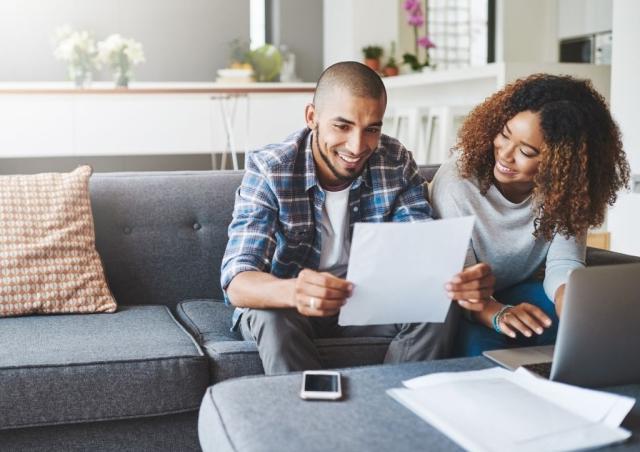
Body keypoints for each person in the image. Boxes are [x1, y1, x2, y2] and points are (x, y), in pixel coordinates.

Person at [221, 61, 495, 375]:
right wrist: (295, 291)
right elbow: (237, 279)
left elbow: (419, 242)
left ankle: (393, 408)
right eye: (342, 126)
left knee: (441, 304)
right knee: (272, 316)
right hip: (291, 305)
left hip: (366, 303)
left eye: (372, 129)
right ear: (313, 117)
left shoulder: (394, 161)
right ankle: (310, 421)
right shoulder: (271, 168)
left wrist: (460, 277)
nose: (357, 146)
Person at [429, 73, 630, 356]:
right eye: (504, 135)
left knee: (586, 335)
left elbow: (563, 262)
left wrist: (568, 298)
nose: (505, 155)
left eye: (527, 151)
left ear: (563, 162)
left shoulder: (567, 189)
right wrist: (497, 313)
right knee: (480, 354)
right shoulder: (457, 182)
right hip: (468, 304)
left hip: (522, 290)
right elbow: (461, 282)